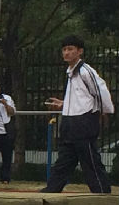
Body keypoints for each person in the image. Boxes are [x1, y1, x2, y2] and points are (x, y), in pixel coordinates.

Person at [40, 35, 114, 194]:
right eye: (64, 49)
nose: (66, 53)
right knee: (64, 161)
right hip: (69, 122)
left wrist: (103, 112)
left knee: (90, 160)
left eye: (70, 49)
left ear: (80, 51)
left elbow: (101, 93)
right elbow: (81, 98)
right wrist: (64, 104)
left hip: (83, 122)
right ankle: (51, 191)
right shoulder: (71, 73)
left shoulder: (85, 71)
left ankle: (102, 193)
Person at [0, 83, 16, 184]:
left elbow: (12, 112)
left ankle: (5, 178)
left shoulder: (7, 98)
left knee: (7, 156)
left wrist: (5, 104)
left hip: (5, 131)